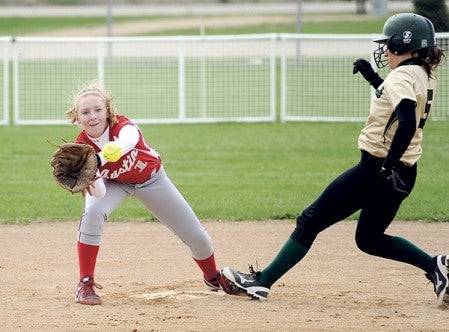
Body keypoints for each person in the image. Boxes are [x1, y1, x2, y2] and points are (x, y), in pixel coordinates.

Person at [222, 13, 449, 307]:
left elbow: (405, 118)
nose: (385, 50)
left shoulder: (402, 75)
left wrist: (385, 167)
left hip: (377, 169)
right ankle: (436, 266)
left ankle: (261, 282)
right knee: (369, 239)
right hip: (406, 173)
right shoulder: (423, 74)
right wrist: (374, 79)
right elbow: (399, 103)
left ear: (402, 43)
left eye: (389, 44)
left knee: (309, 220)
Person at [66, 80, 236, 305]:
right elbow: (99, 194)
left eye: (98, 109)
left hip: (151, 179)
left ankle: (213, 276)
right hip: (115, 183)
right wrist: (89, 178)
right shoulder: (82, 148)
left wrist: (98, 159)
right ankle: (85, 283)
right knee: (93, 213)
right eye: (85, 112)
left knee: (198, 237)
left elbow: (127, 143)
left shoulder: (123, 126)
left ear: (107, 110)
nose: (93, 116)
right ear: (77, 118)